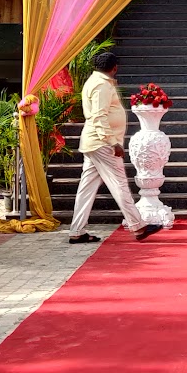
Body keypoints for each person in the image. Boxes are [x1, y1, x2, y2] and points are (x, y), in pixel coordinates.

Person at [68, 51, 158, 244]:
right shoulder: (101, 85)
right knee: (119, 185)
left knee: (86, 189)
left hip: (94, 142)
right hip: (102, 143)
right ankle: (138, 226)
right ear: (115, 67)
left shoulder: (95, 81)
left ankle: (77, 230)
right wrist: (112, 142)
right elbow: (99, 116)